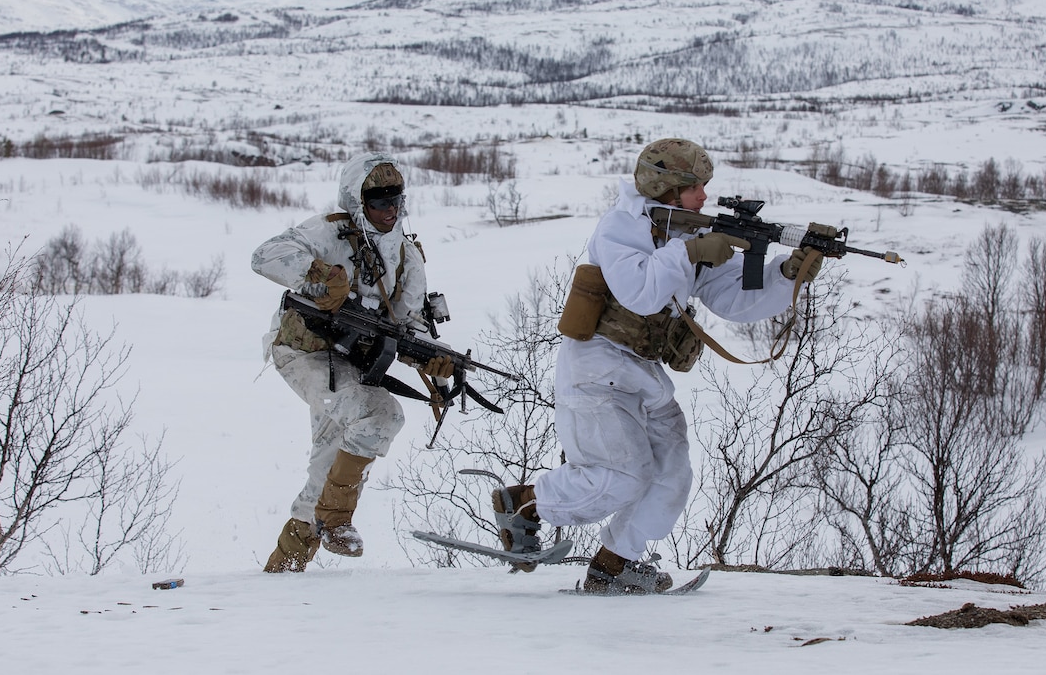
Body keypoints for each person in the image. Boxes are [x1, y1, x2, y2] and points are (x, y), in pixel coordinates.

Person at [492, 138, 825, 593]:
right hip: (596, 370)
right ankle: (523, 505)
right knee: (621, 477)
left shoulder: (686, 232)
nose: (705, 197)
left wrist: (786, 275)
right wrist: (689, 253)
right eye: (696, 188)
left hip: (644, 373)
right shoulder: (620, 228)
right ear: (667, 188)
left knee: (672, 474)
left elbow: (731, 299)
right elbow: (639, 291)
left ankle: (614, 566)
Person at [252, 152, 448, 572]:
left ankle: (282, 572)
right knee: (379, 416)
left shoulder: (406, 258)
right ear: (358, 202)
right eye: (378, 201)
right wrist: (318, 274)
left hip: (351, 363)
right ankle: (335, 518)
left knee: (329, 462)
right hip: (303, 352)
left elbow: (408, 321)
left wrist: (432, 360)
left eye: (396, 199)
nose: (390, 210)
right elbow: (264, 255)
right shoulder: (330, 234)